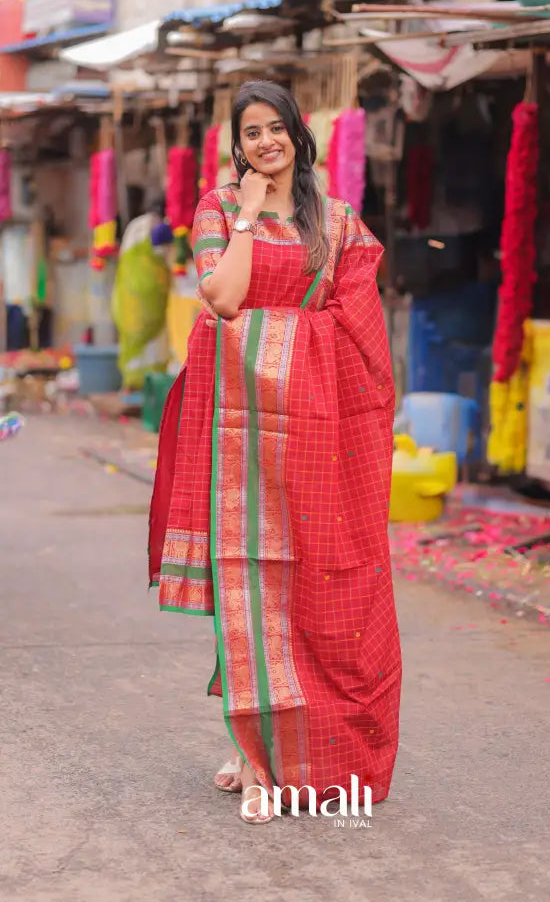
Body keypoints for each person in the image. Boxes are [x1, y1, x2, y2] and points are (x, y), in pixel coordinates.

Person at [148, 80, 402, 824]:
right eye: (251, 133)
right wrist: (252, 218)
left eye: (276, 129)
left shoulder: (342, 224)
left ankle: (268, 744)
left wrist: (282, 335)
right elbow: (223, 300)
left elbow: (358, 329)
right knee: (248, 582)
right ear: (237, 146)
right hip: (235, 428)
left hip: (318, 428)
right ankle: (258, 763)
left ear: (299, 134)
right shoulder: (219, 210)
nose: (265, 143)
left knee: (306, 586)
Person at [112, 196, 173, 390]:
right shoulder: (158, 228)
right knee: (152, 342)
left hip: (125, 293)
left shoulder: (135, 225)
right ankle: (149, 388)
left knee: (130, 341)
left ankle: (129, 386)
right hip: (147, 296)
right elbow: (163, 253)